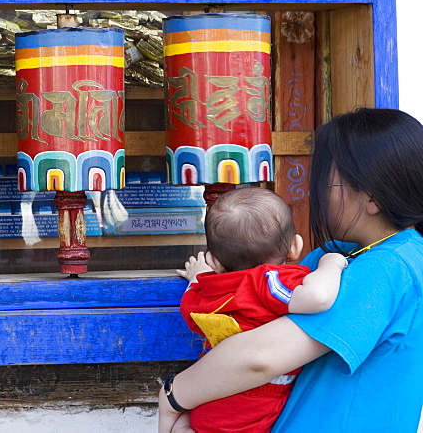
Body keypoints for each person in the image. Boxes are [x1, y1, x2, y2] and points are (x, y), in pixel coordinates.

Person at [158, 108, 423, 432]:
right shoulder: (347, 252)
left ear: (371, 198)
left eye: (329, 180)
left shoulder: (388, 266)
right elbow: (253, 295)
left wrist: (173, 396)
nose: (319, 193)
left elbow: (259, 357)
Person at [175, 187, 348, 432]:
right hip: (254, 410)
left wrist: (199, 275)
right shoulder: (268, 282)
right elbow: (317, 297)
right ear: (294, 247)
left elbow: (190, 306)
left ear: (215, 261)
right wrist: (331, 263)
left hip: (209, 408)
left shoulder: (208, 292)